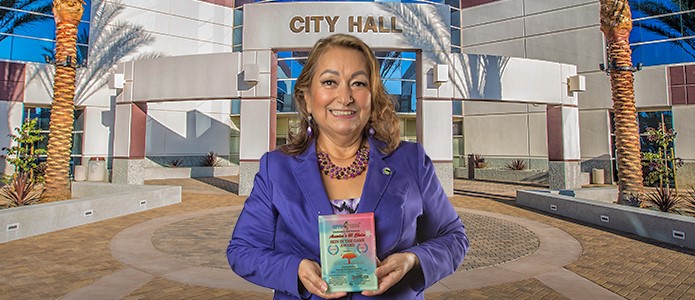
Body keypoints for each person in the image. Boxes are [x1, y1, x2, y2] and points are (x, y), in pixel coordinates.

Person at [227, 34, 469, 299]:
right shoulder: (276, 167)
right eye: (330, 82)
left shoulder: (411, 160)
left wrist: (413, 259)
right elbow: (243, 250)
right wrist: (295, 269)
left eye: (358, 83)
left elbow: (453, 238)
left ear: (373, 97)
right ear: (306, 97)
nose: (345, 97)